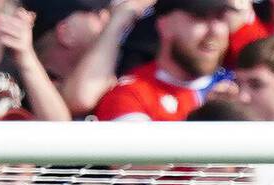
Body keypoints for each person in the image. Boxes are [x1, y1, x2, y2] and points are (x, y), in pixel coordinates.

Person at [93, 0, 230, 121]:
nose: (215, 30)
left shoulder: (243, 87)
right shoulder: (131, 95)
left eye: (221, 17)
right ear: (164, 24)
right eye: (200, 17)